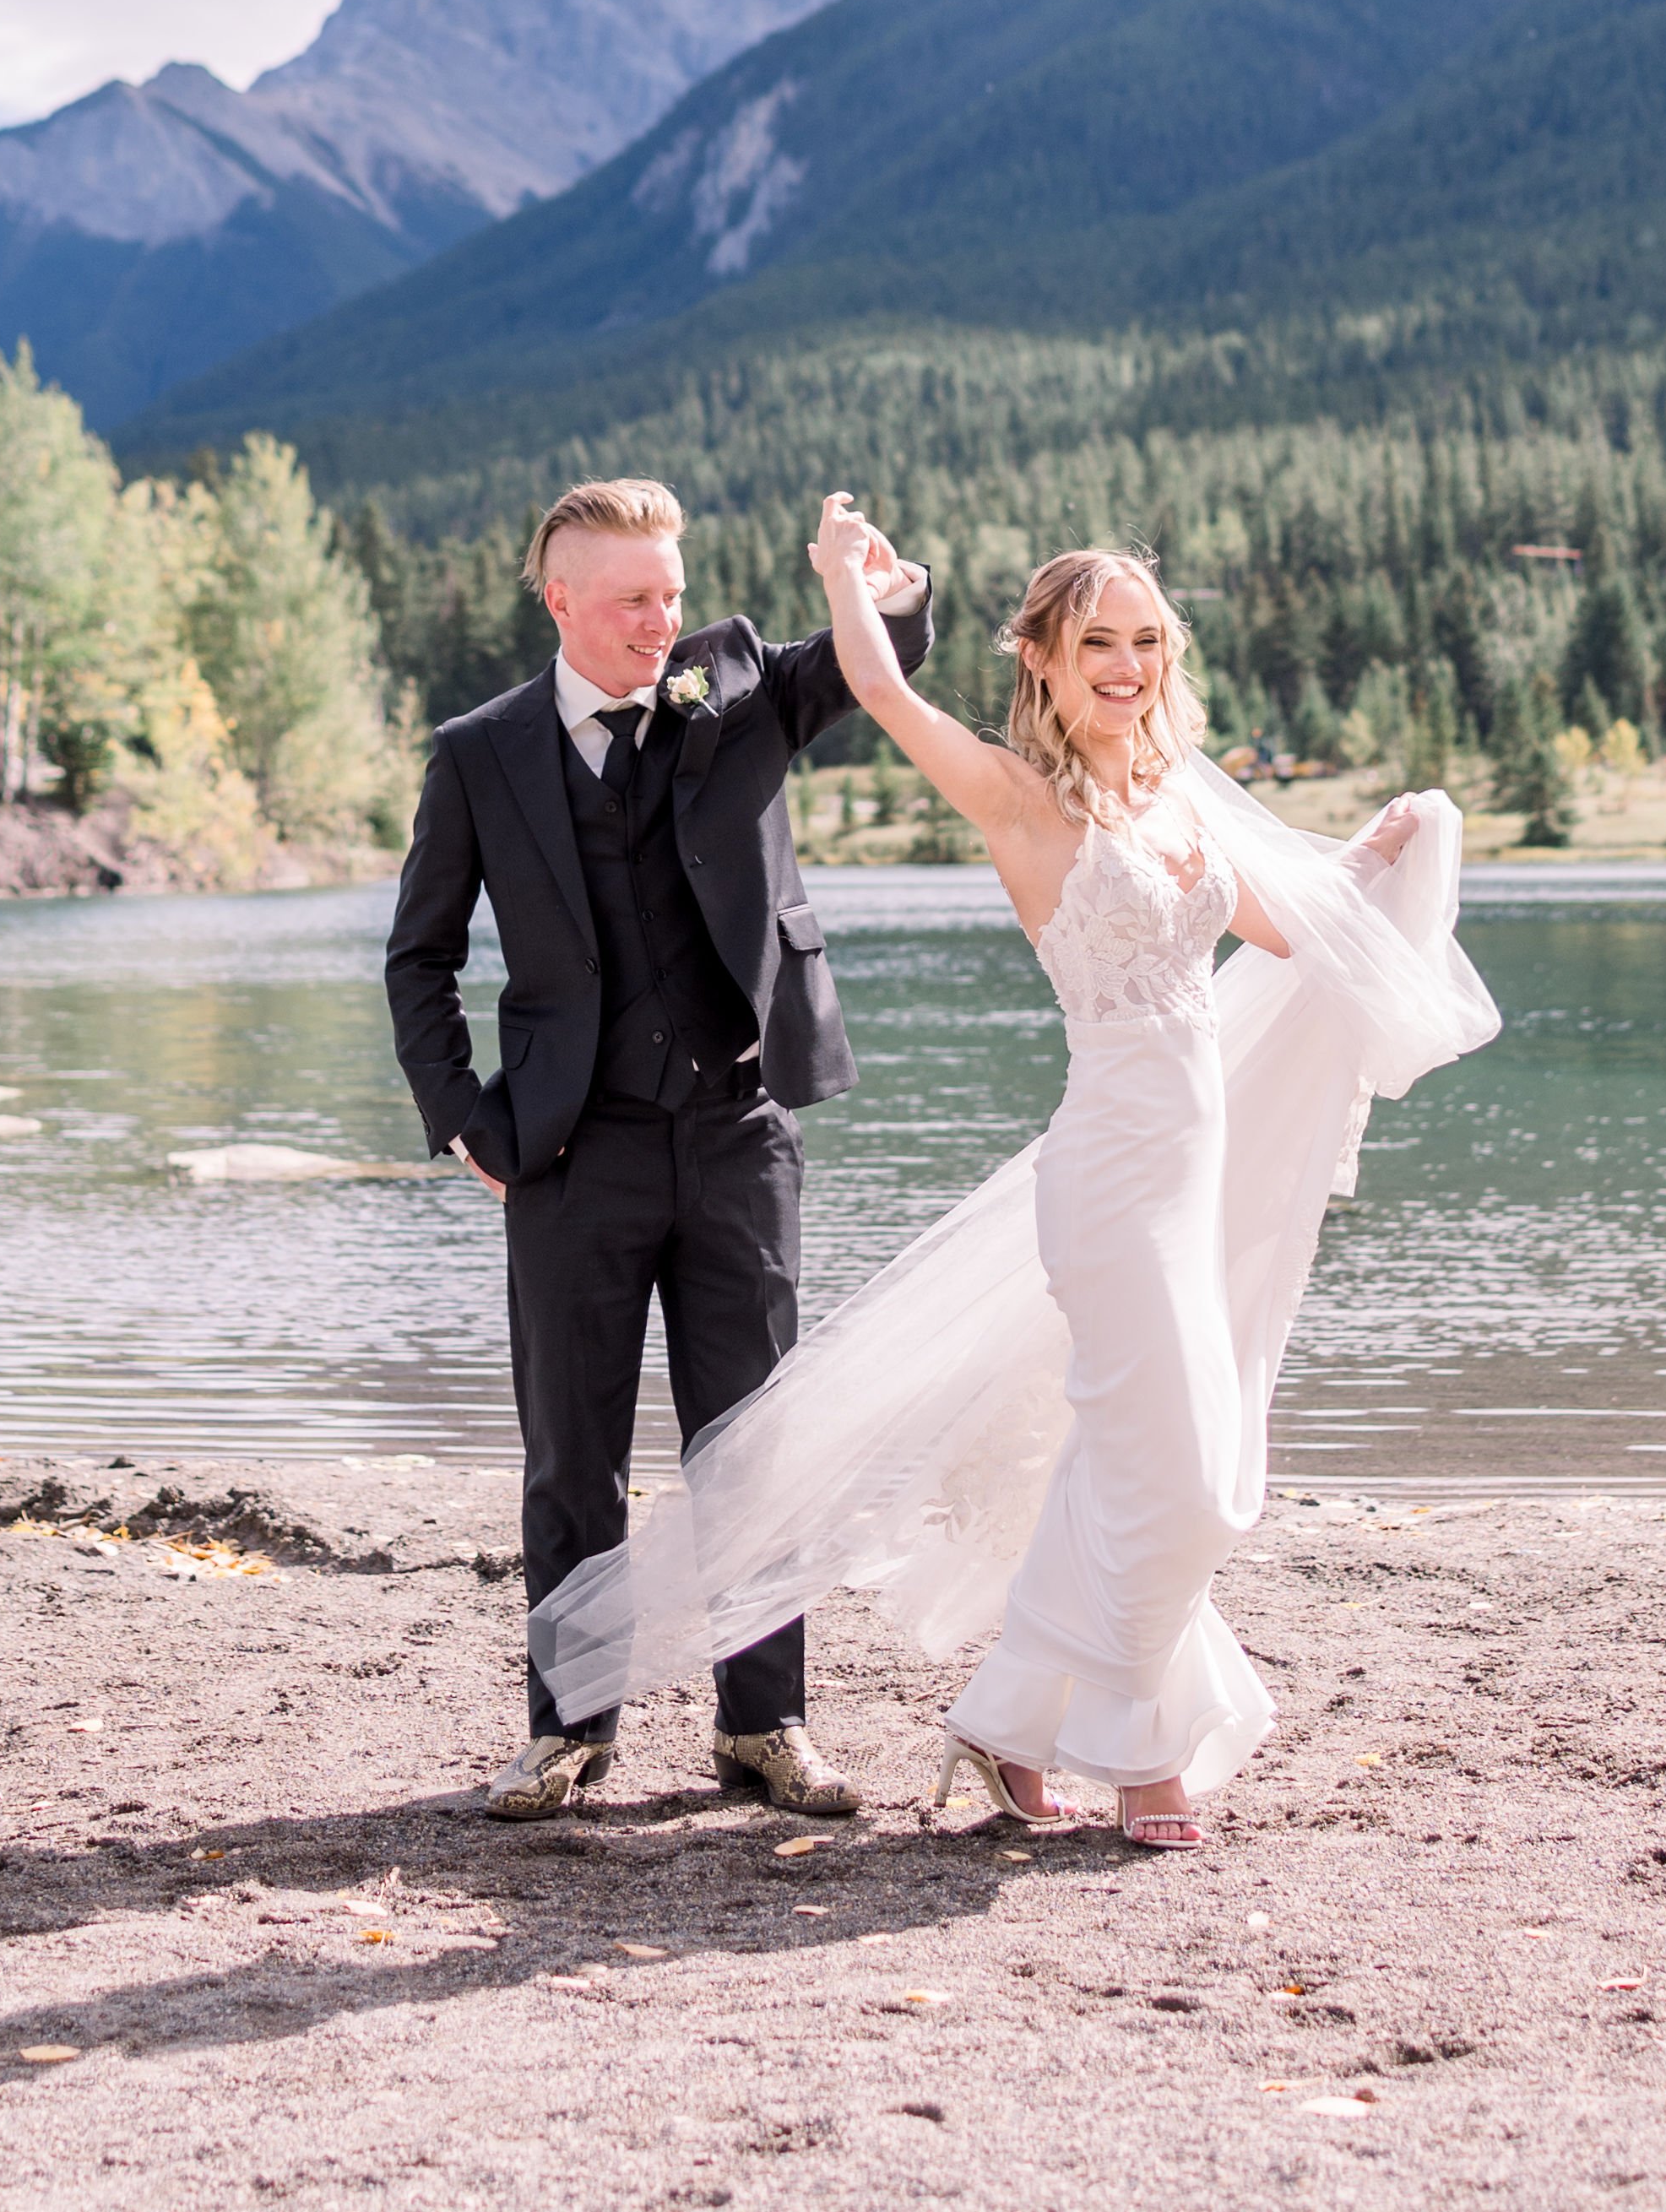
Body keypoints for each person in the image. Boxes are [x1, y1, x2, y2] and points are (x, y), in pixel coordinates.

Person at [527, 501, 1499, 1847]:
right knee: (1187, 1473)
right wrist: (842, 578)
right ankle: (1139, 1750)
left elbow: (1282, 928)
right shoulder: (1020, 796)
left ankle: (997, 1724)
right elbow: (874, 685)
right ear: (1042, 656)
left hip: (1194, 1165)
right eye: (1097, 639)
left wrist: (1383, 851)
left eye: (1146, 639)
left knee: (1155, 1455)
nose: (1126, 662)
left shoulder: (1179, 802)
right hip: (1107, 1178)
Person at [384, 475, 933, 1819]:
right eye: (632, 599)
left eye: (672, 594)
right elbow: (420, 955)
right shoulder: (482, 751)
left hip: (740, 1135)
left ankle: (765, 1728)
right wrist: (465, 1116)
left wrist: (883, 585)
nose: (660, 621)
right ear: (561, 598)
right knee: (570, 1456)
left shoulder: (738, 686)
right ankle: (569, 1731)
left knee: (752, 1447)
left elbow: (881, 662)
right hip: (568, 1155)